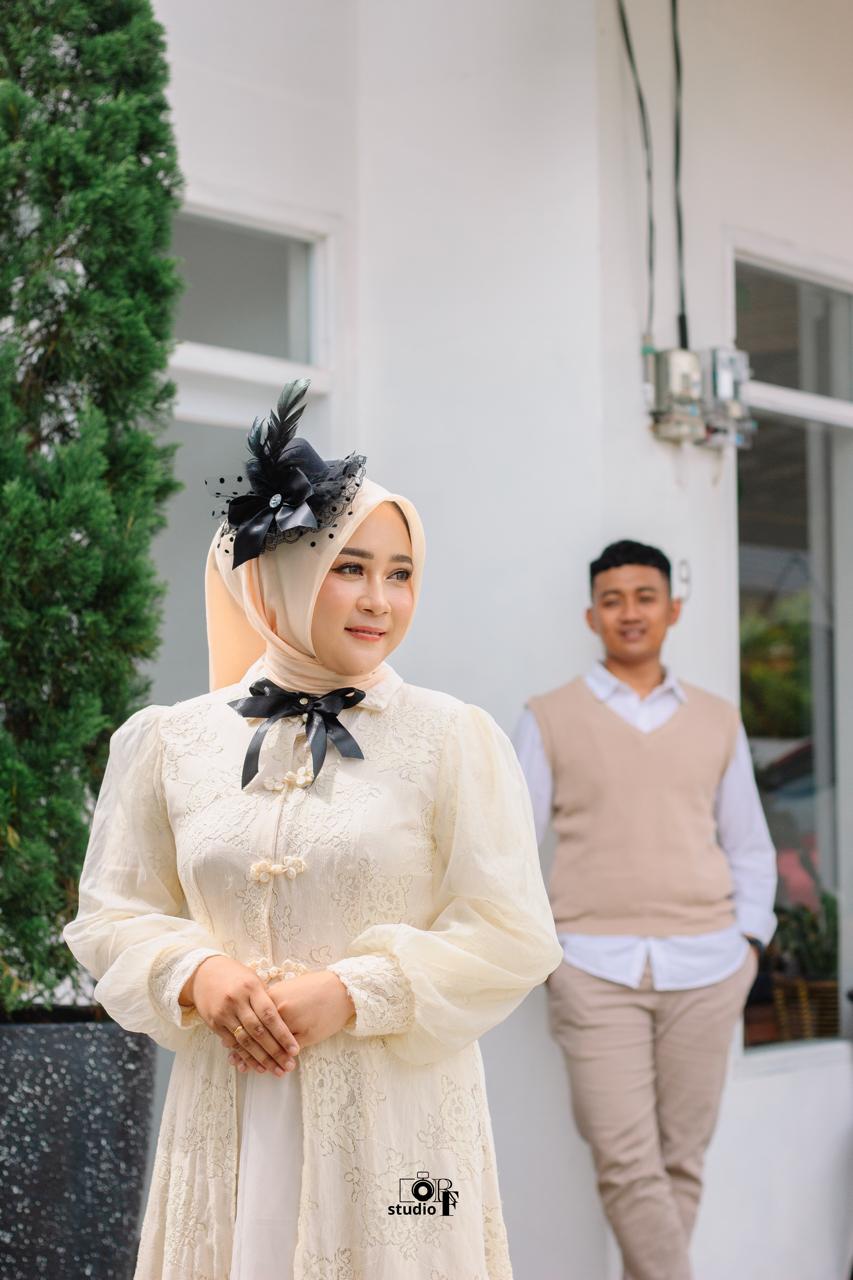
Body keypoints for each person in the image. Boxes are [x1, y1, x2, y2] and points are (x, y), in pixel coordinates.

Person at [63, 380, 563, 1280]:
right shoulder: (171, 740)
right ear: (281, 576)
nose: (380, 600)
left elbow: (510, 932)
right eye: (348, 567)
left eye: (399, 573)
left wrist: (355, 991)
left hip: (400, 1126)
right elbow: (110, 914)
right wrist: (196, 974)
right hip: (224, 1112)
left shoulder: (451, 738)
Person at [513, 539, 777, 1280]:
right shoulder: (547, 717)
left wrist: (748, 944)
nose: (629, 612)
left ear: (672, 609)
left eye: (644, 597)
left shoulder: (718, 720)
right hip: (591, 968)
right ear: (591, 616)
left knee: (681, 1161)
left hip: (709, 965)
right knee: (626, 1163)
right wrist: (549, 958)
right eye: (612, 599)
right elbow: (509, 851)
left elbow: (749, 845)